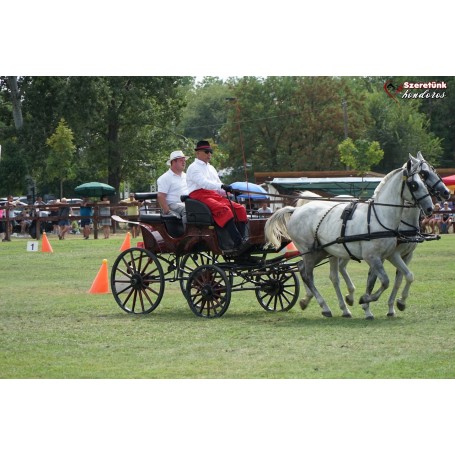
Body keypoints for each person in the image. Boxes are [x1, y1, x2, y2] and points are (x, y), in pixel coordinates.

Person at [186, 140, 249, 253]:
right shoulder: (193, 168)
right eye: (206, 152)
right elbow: (204, 183)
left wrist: (230, 192)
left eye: (210, 151)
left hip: (212, 195)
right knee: (224, 209)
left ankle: (245, 239)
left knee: (240, 209)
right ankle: (237, 241)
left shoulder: (211, 168)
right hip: (199, 195)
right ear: (198, 153)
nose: (209, 154)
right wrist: (222, 186)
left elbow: (218, 187)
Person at [157, 150, 189, 224]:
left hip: (187, 203)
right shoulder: (165, 178)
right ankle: (187, 233)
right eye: (181, 160)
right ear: (173, 162)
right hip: (173, 204)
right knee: (187, 210)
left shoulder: (187, 176)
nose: (184, 162)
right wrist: (167, 211)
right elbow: (161, 196)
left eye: (184, 160)